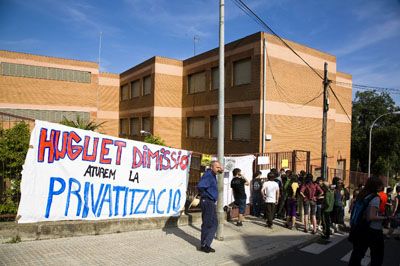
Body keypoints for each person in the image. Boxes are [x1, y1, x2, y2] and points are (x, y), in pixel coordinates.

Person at [349, 176, 386, 266]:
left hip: (359, 227)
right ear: (376, 186)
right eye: (380, 186)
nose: (382, 188)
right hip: (373, 230)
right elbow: (371, 217)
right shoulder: (375, 198)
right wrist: (385, 218)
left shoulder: (362, 194)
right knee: (377, 256)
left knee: (357, 254)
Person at [197, 160, 223, 253]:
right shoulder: (208, 175)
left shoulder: (212, 174)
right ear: (211, 167)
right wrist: (205, 194)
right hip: (207, 201)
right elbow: (200, 186)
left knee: (214, 223)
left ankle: (207, 244)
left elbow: (220, 171)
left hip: (210, 202)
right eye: (217, 167)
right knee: (208, 223)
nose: (219, 169)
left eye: (219, 167)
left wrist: (220, 169)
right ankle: (204, 245)